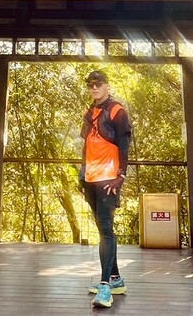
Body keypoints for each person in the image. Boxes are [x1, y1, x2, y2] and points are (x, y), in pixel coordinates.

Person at [80, 70, 132, 308]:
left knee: (105, 229)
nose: (94, 88)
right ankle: (116, 279)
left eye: (98, 84)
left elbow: (124, 144)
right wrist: (82, 175)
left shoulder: (117, 111)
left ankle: (104, 286)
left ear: (107, 86)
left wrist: (121, 175)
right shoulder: (90, 113)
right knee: (103, 228)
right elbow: (87, 146)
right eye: (90, 85)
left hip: (109, 179)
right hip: (91, 178)